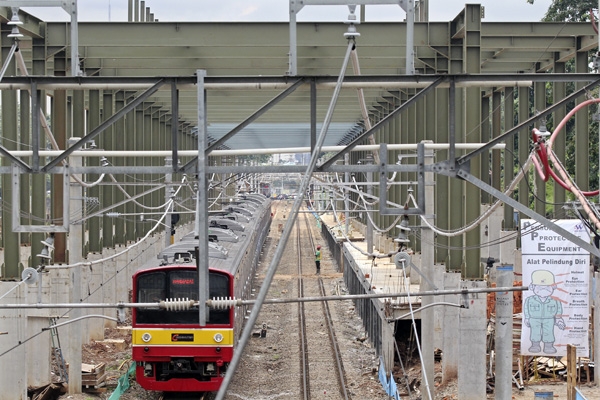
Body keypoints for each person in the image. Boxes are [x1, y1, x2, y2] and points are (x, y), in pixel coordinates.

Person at [523, 269, 566, 354]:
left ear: (553, 287)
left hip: (549, 319)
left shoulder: (555, 300)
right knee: (535, 331)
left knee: (548, 332)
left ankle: (549, 346)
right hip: (534, 319)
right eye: (539, 287)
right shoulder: (529, 300)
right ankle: (535, 345)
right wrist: (527, 318)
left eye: (547, 287)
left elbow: (559, 310)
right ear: (532, 287)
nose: (543, 289)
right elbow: (526, 309)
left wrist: (558, 320)